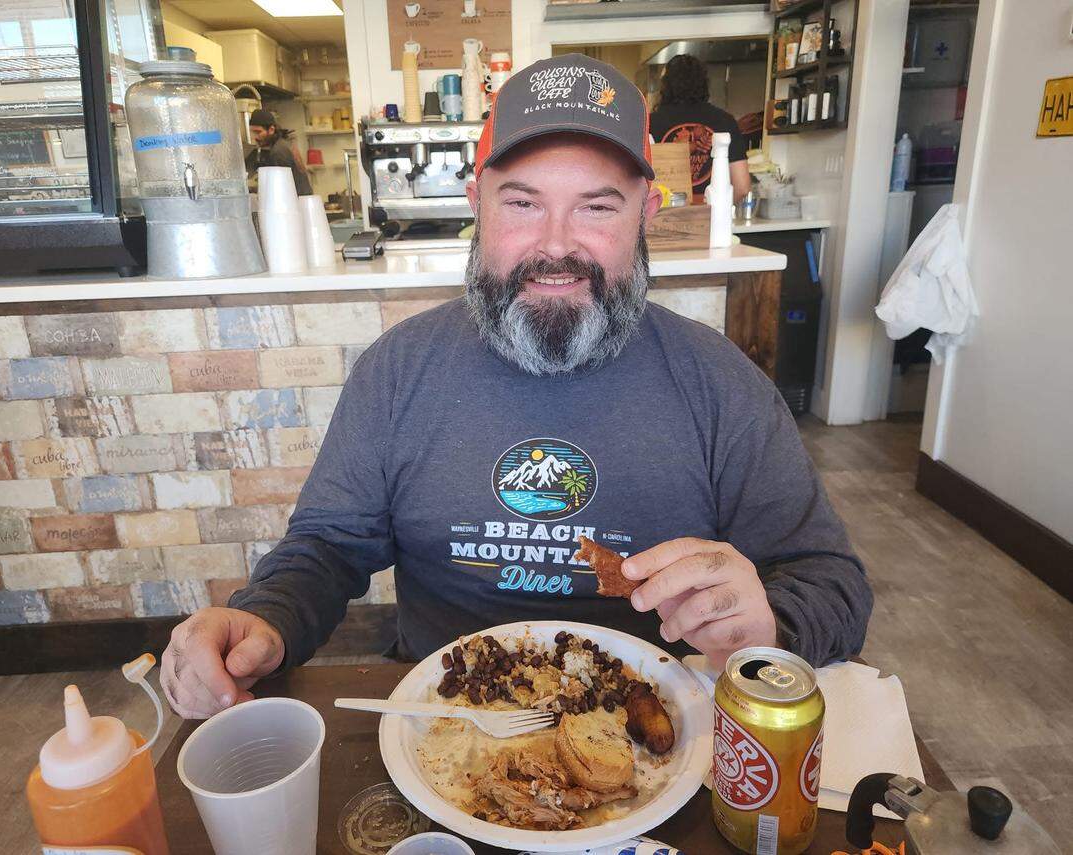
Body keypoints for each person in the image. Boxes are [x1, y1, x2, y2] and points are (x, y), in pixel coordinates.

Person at [161, 55, 871, 719]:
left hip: (653, 743)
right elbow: (325, 547)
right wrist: (265, 616)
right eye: (523, 204)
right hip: (441, 726)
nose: (556, 246)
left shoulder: (718, 383)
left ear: (645, 215)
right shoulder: (398, 370)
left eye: (597, 207)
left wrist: (773, 621)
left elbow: (833, 582)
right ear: (477, 203)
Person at [649, 54, 751, 203]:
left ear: (666, 86)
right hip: (713, 221)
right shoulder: (724, 121)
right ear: (704, 84)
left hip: (664, 219)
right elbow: (742, 188)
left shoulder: (650, 123)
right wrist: (717, 209)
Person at [245, 108, 312, 196]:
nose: (255, 137)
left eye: (258, 132)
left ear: (271, 130)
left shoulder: (279, 151)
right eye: (253, 132)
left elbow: (280, 187)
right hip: (299, 200)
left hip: (296, 201)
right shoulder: (282, 143)